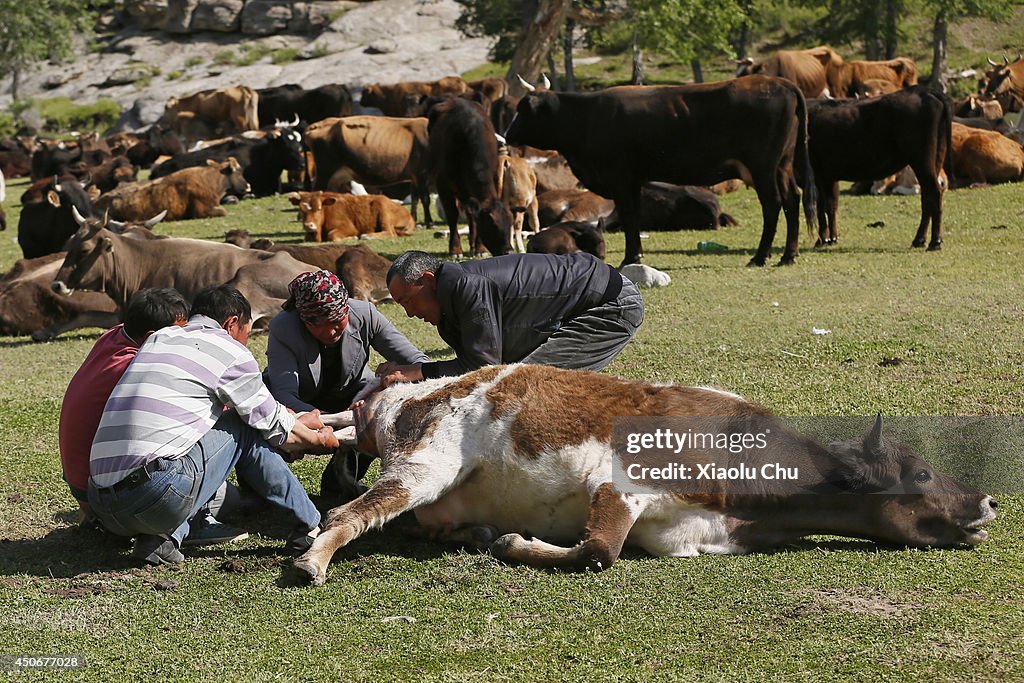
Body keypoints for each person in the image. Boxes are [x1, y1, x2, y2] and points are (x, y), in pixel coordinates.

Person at [87, 285, 337, 566]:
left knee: (195, 443)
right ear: (231, 324)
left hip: (101, 503)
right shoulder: (228, 350)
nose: (244, 342)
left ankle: (163, 540)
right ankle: (309, 526)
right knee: (240, 426)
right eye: (246, 333)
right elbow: (273, 426)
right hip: (152, 496)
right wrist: (317, 440)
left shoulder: (160, 338)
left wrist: (293, 424)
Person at [59, 288, 247, 546]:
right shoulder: (134, 367)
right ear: (152, 336)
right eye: (179, 333)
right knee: (228, 497)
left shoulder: (113, 337)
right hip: (108, 493)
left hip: (87, 483)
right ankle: (194, 525)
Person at [264, 269, 428, 500]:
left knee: (376, 413)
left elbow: (418, 361)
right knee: (267, 415)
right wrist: (328, 422)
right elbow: (284, 394)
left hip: (351, 395)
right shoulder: (284, 327)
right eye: (318, 324)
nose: (330, 331)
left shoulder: (365, 314)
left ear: (346, 310)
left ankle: (339, 482)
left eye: (336, 321)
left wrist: (401, 376)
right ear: (303, 319)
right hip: (300, 402)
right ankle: (262, 488)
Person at [380, 250, 644, 382]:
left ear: (428, 280)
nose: (410, 313)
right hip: (589, 298)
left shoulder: (468, 286)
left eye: (408, 301)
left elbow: (482, 369)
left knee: (530, 383)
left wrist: (417, 371)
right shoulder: (451, 306)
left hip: (610, 304)